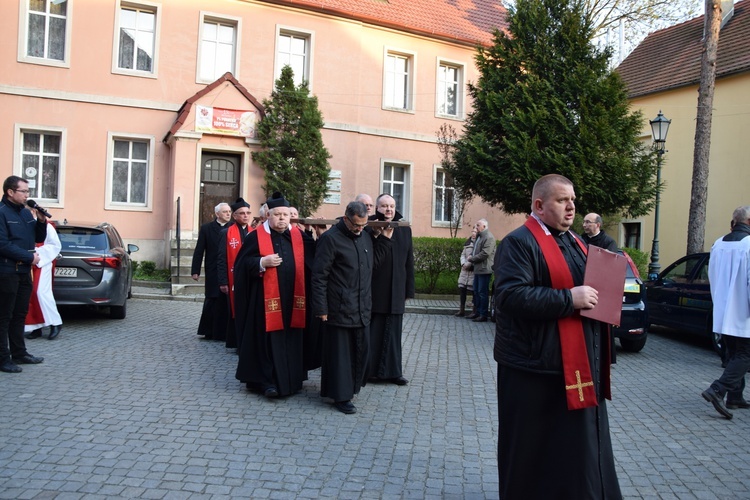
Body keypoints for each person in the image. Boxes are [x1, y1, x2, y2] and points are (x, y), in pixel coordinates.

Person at [493, 174, 621, 499]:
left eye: (573, 200)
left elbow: (588, 289)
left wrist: (607, 303)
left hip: (577, 366)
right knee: (538, 451)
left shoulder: (575, 242)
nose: (572, 207)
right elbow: (510, 296)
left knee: (576, 450)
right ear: (539, 205)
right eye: (563, 200)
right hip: (536, 371)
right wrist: (569, 300)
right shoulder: (519, 242)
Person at [311, 201, 392, 414]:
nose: (360, 229)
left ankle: (352, 388)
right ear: (346, 219)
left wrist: (383, 241)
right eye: (356, 225)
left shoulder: (364, 235)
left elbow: (370, 265)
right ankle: (341, 396)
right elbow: (319, 276)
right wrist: (321, 308)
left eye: (363, 225)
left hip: (362, 307)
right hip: (338, 308)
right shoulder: (330, 239)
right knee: (340, 356)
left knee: (360, 352)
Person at [234, 193, 316, 398]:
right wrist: (262, 263)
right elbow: (242, 265)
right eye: (277, 214)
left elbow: (316, 259)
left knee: (292, 338)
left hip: (294, 301)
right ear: (268, 216)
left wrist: (321, 235)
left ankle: (292, 380)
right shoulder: (256, 236)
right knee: (266, 340)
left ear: (291, 216)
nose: (282, 219)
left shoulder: (299, 236)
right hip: (264, 302)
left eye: (285, 215)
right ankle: (267, 381)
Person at [701, 205, 750, 420]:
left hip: (723, 308)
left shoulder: (718, 244)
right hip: (743, 310)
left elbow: (712, 274)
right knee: (745, 355)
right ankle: (718, 390)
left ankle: (736, 396)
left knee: (733, 353)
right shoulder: (748, 245)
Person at [0, 176, 47, 373]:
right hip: (7, 271)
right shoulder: (2, 213)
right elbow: (2, 244)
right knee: (4, 316)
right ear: (11, 192)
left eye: (28, 191)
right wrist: (29, 258)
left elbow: (38, 237)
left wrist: (41, 221)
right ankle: (3, 358)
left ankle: (19, 353)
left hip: (23, 272)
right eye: (24, 191)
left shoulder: (26, 213)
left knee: (20, 314)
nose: (28, 195)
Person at [366, 194, 414, 386]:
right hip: (376, 289)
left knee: (393, 333)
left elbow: (409, 261)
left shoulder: (404, 229)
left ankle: (394, 372)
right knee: (374, 332)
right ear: (377, 208)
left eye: (391, 206)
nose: (388, 209)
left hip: (396, 290)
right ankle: (370, 372)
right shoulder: (369, 228)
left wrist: (409, 290)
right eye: (384, 206)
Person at [191, 202, 232, 341]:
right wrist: (195, 270)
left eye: (229, 211)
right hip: (213, 268)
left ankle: (225, 331)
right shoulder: (207, 228)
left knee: (226, 300)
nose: (228, 214)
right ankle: (208, 330)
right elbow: (199, 250)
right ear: (217, 214)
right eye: (225, 211)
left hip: (229, 268)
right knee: (212, 298)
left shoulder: (233, 228)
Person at [217, 198, 252, 348]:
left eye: (248, 213)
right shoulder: (226, 233)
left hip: (250, 277)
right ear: (235, 216)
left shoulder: (255, 232)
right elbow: (221, 258)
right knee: (235, 309)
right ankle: (235, 341)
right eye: (242, 213)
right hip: (233, 278)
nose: (245, 216)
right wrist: (223, 281)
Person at [24, 220, 63, 340]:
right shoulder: (21, 223)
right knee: (28, 295)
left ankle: (55, 322)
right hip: (25, 262)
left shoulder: (47, 226)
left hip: (42, 263)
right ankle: (35, 327)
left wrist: (36, 253)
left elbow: (54, 245)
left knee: (40, 293)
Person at [466, 219, 495, 322]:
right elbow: (476, 250)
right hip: (478, 268)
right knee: (477, 292)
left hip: (484, 269)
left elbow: (485, 253)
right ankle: (477, 312)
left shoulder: (489, 237)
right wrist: (471, 255)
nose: (476, 227)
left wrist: (472, 258)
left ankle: (483, 314)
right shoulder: (480, 236)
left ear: (484, 226)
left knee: (482, 292)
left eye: (478, 225)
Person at [455, 228, 477, 317]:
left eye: (475, 232)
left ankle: (474, 310)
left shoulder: (478, 244)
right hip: (464, 271)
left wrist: (469, 264)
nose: (473, 233)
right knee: (462, 290)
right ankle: (461, 310)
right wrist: (463, 263)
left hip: (472, 270)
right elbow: (463, 255)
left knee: (473, 291)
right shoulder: (467, 243)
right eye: (472, 231)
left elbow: (475, 256)